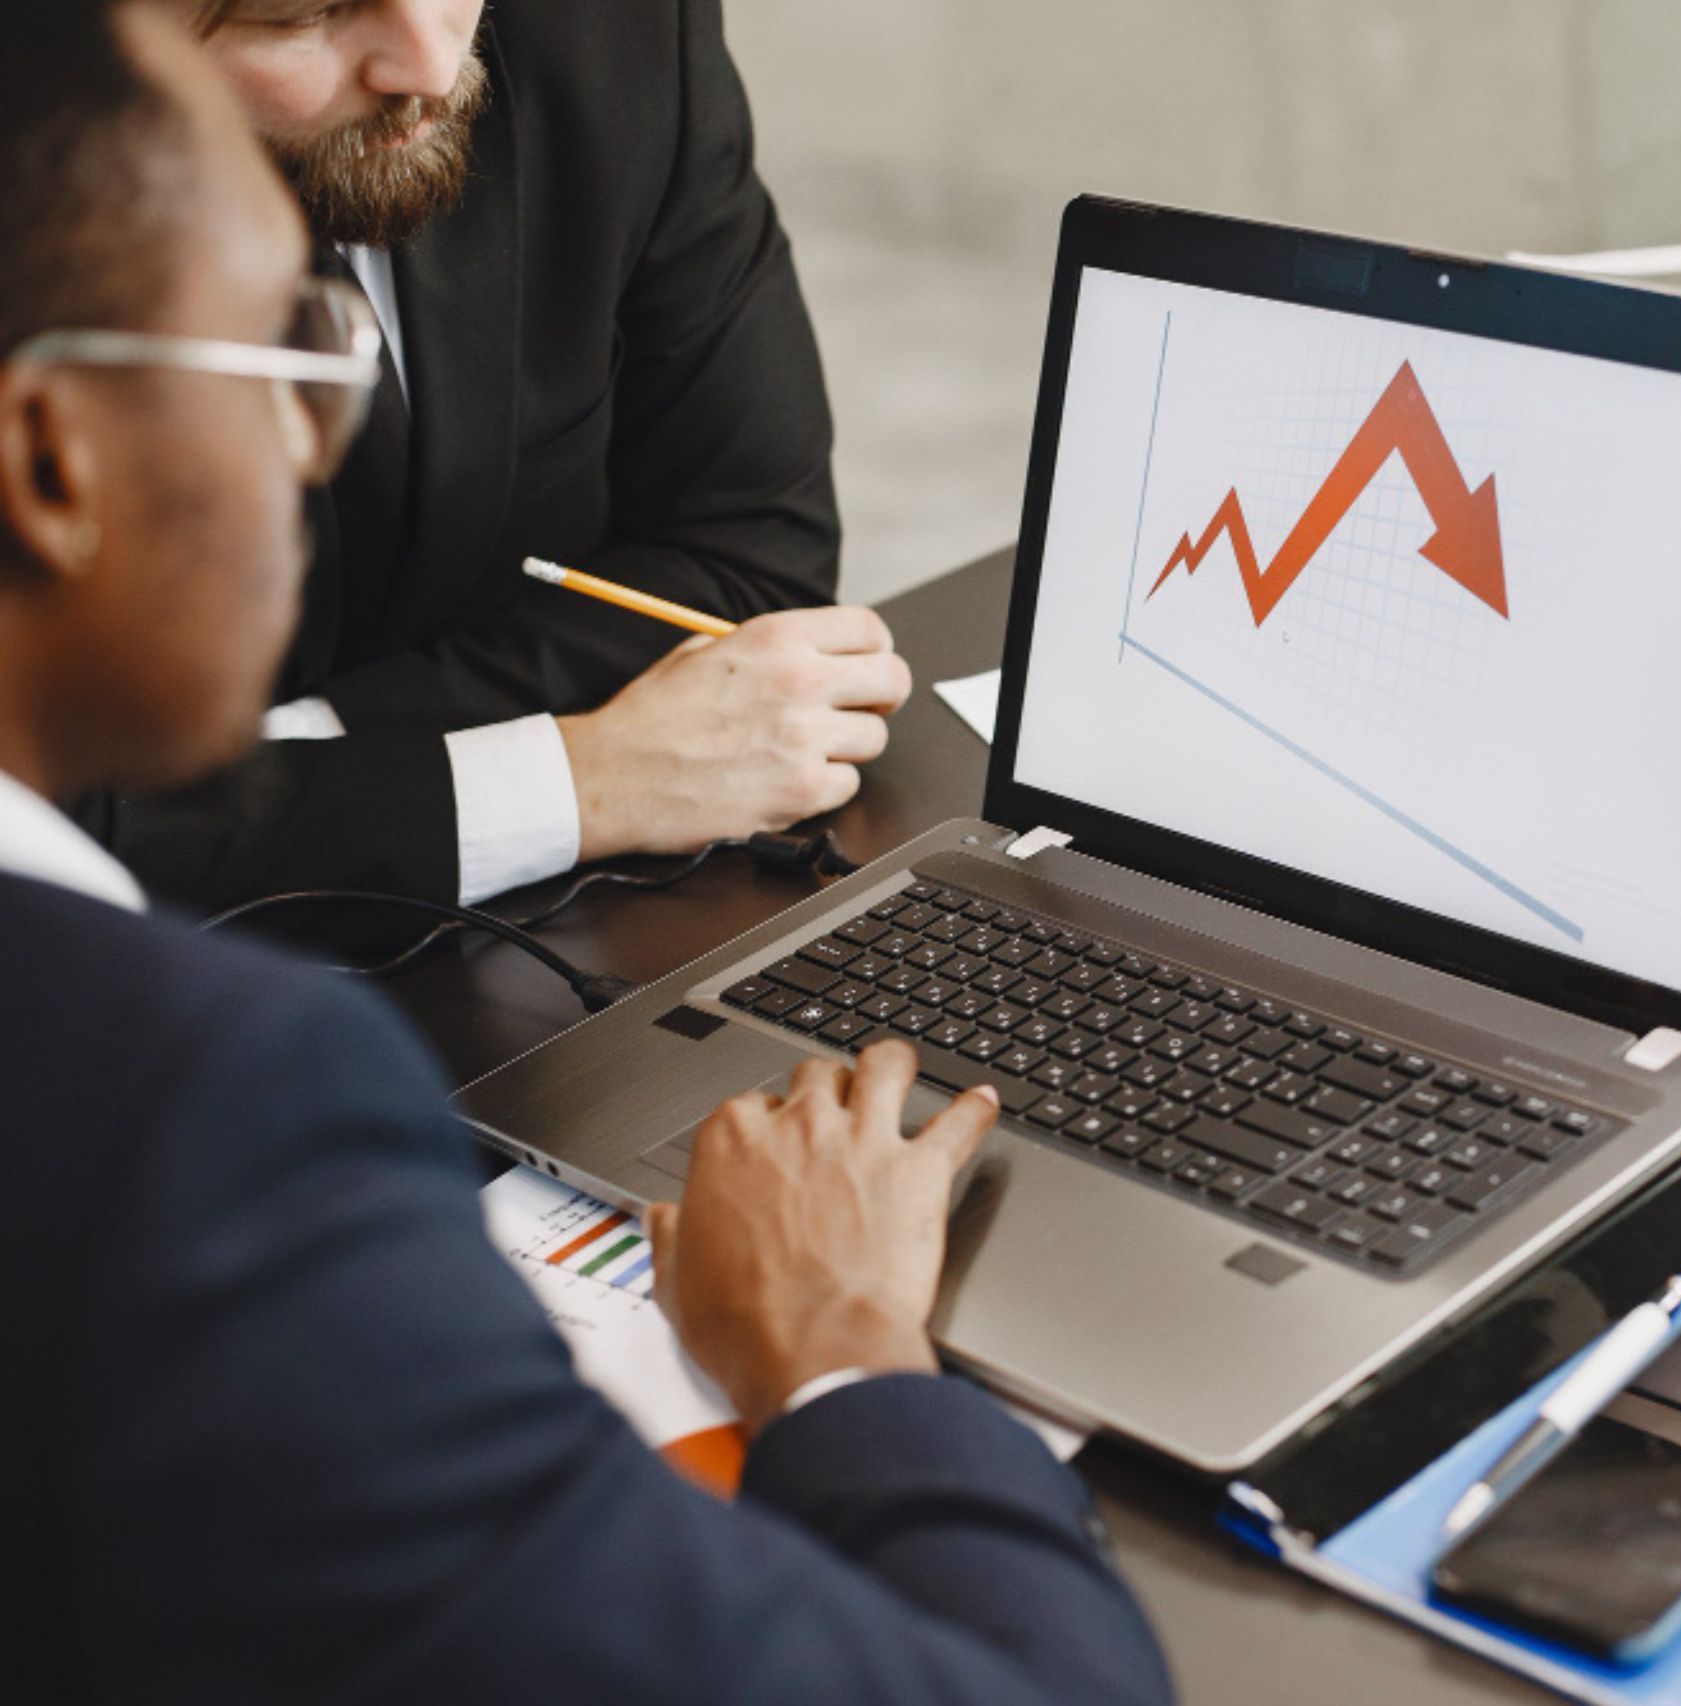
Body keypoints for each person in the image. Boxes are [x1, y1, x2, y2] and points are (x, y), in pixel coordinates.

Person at [0, 6, 1173, 1700]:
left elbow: (750, 550)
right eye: (285, 356)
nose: (327, 442)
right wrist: (844, 1360)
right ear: (51, 457)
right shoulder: (204, 1138)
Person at [72, 0, 912, 912]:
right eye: (306, 15)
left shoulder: (615, 33)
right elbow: (41, 834)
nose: (434, 68)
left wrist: (265, 775)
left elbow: (751, 564)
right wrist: (577, 781)